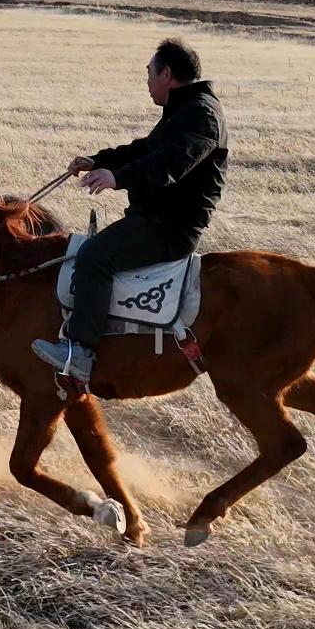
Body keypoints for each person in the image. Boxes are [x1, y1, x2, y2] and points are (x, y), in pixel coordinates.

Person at [32, 38, 228, 383]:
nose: (147, 81)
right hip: (155, 219)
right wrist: (99, 160)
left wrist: (117, 177)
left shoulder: (202, 115)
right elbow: (145, 150)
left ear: (167, 73)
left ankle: (80, 352)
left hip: (171, 228)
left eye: (150, 73)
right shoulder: (186, 110)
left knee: (94, 256)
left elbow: (168, 164)